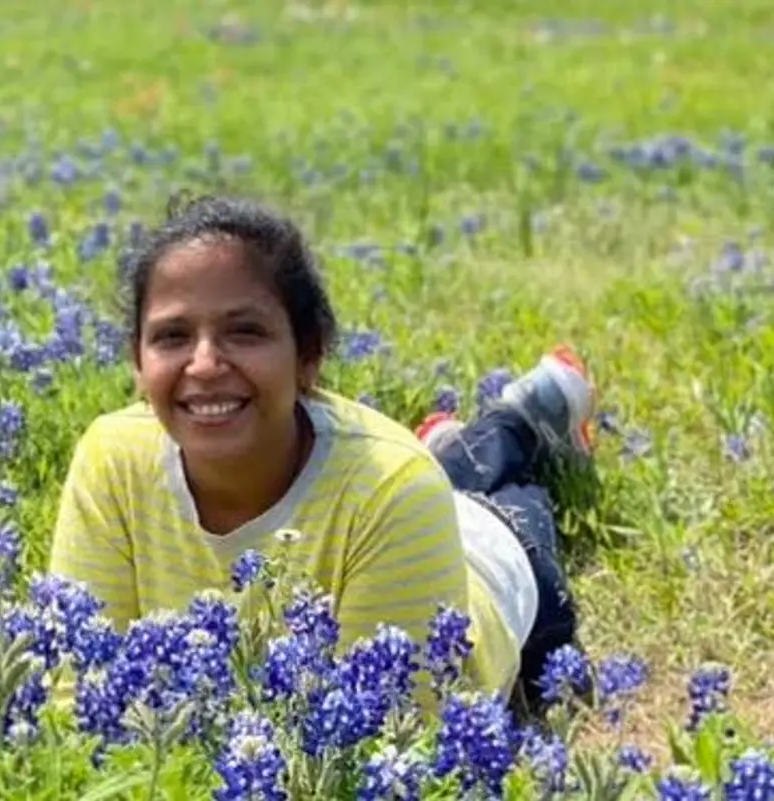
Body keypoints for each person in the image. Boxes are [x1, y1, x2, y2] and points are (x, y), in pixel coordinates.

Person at [48, 194, 595, 710]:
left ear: (309, 355)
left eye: (245, 332)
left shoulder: (396, 487)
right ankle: (470, 441)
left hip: (482, 566)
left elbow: (386, 735)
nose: (205, 364)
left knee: (506, 503)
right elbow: (78, 695)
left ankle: (528, 419)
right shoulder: (111, 456)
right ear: (137, 360)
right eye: (172, 337)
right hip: (386, 502)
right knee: (436, 474)